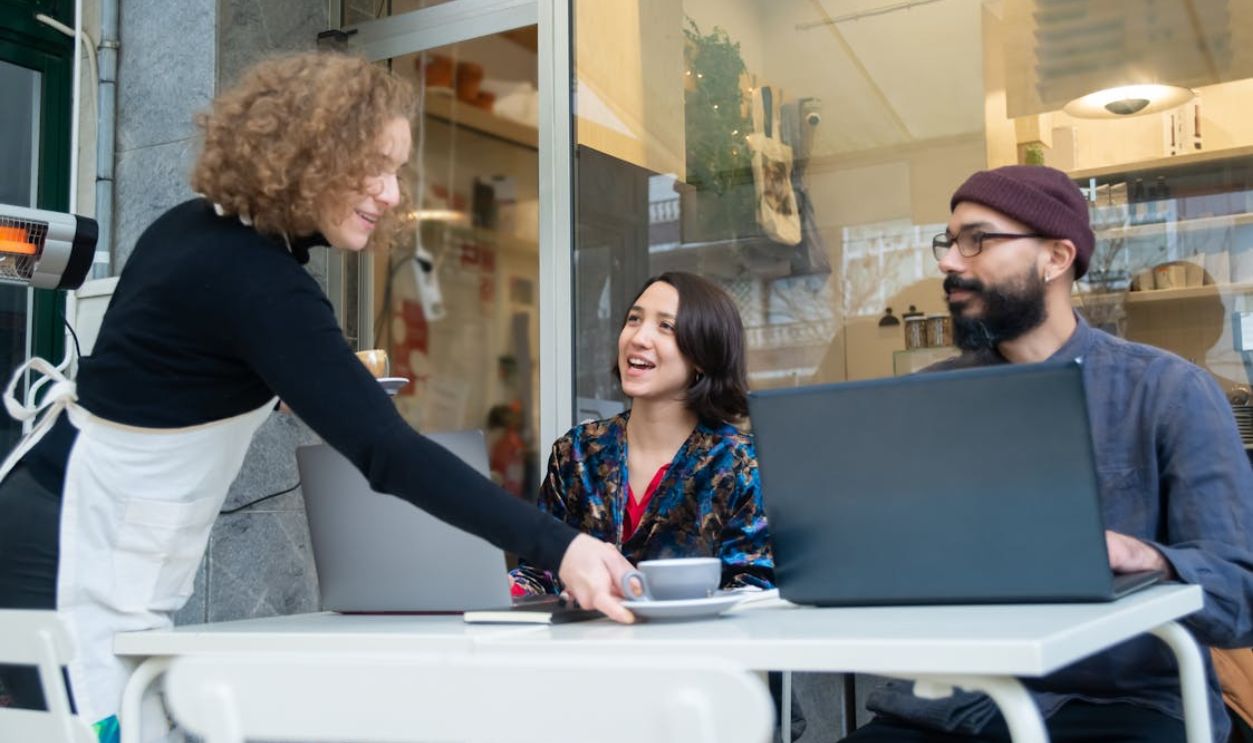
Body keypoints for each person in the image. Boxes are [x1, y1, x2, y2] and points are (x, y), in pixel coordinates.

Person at [0, 52, 634, 743]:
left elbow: (167, 373)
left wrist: (288, 385)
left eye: (398, 170)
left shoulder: (195, 230)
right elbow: (387, 453)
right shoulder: (258, 281)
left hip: (59, 516)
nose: (393, 193)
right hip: (72, 554)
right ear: (308, 155)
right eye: (375, 166)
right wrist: (562, 546)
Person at [842, 165, 1253, 743]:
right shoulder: (928, 400)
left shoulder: (1167, 391)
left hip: (1120, 704)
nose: (949, 262)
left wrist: (1152, 558)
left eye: (976, 240)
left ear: (1056, 258)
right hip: (958, 704)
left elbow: (1240, 595)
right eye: (949, 242)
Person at [510, 271, 774, 595]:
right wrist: (500, 589)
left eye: (666, 326)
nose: (638, 337)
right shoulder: (576, 452)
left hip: (696, 644)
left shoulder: (741, 464)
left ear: (703, 356)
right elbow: (538, 572)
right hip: (583, 644)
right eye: (634, 319)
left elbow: (754, 589)